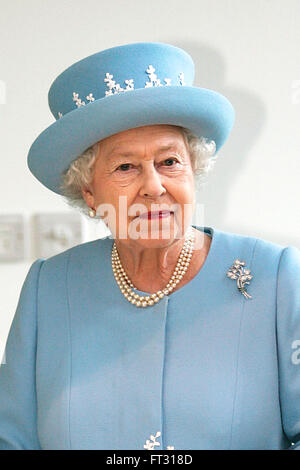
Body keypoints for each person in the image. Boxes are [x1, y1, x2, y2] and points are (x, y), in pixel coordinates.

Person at [0, 41, 299, 450]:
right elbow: (11, 439)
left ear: (194, 170)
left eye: (170, 162)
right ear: (89, 191)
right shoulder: (48, 288)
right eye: (126, 167)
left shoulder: (276, 277)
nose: (154, 186)